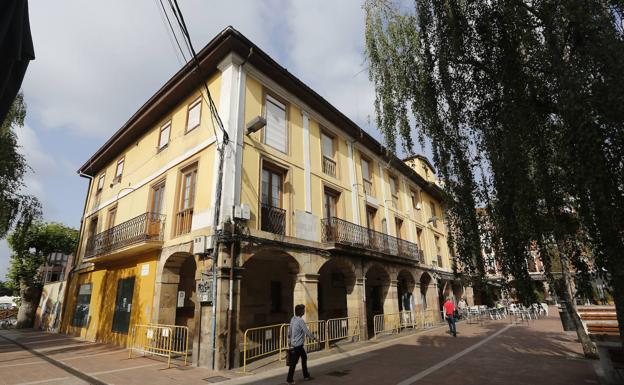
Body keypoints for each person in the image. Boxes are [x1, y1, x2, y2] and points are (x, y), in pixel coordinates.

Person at [286, 304, 317, 384]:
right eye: (303, 310)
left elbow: (289, 331)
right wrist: (314, 338)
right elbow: (306, 331)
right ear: (300, 312)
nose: (304, 311)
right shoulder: (300, 321)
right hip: (298, 345)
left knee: (304, 357)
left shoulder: (293, 319)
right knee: (293, 363)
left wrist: (289, 341)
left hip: (295, 344)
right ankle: (290, 380)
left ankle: (306, 375)